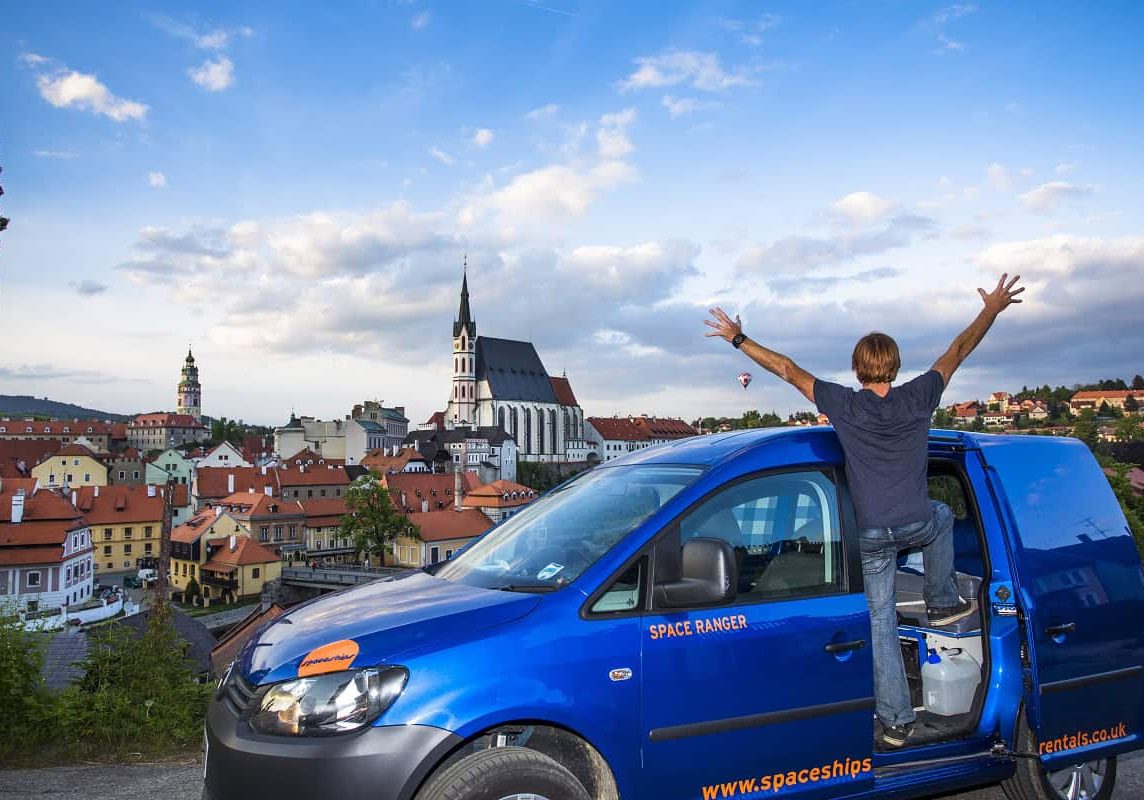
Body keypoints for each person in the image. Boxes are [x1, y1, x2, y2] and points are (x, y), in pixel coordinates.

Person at [704, 273, 1024, 748]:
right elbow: (958, 350)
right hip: (916, 524)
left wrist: (738, 338)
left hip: (870, 536)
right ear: (894, 367)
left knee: (880, 625)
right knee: (939, 516)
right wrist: (991, 309)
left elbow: (789, 370)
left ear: (858, 370)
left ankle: (896, 722)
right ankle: (940, 600)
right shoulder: (919, 397)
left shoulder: (843, 404)